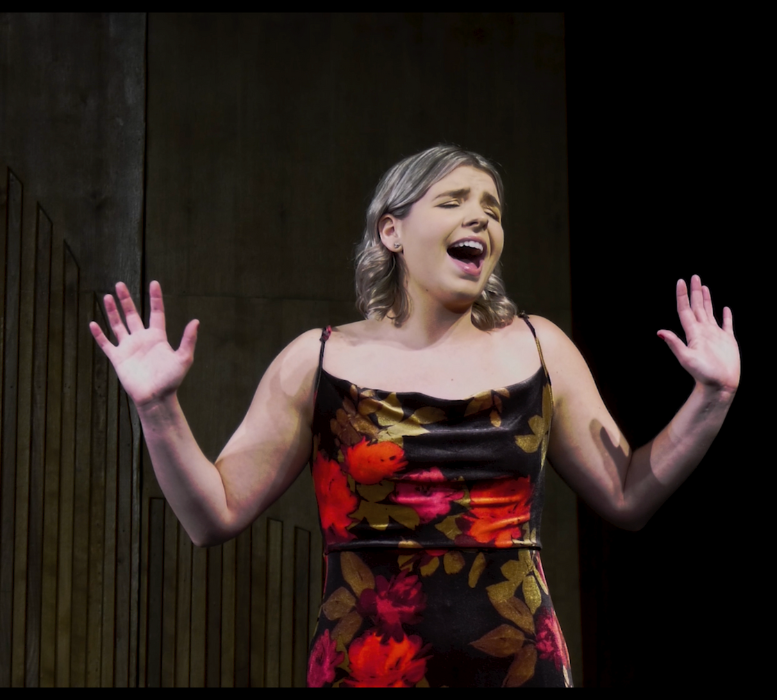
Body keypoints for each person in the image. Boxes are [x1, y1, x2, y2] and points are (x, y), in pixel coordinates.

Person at [89, 145, 740, 687]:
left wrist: (710, 398)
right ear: (391, 231)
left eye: (492, 208)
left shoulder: (542, 350)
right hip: (365, 669)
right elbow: (212, 516)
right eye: (454, 202)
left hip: (518, 671)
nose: (480, 218)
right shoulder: (315, 361)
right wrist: (157, 407)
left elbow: (628, 495)